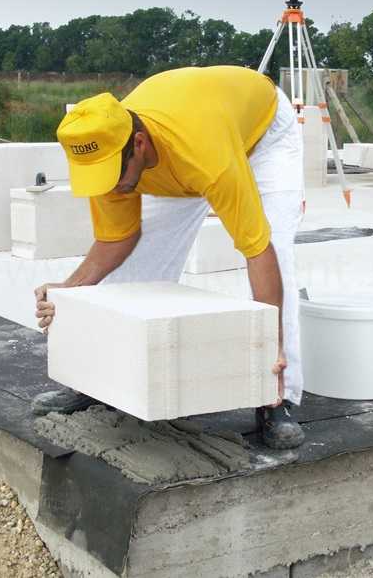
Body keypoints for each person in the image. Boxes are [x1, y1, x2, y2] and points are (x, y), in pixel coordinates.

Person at [32, 65, 305, 450]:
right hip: (180, 146)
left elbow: (257, 249)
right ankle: (100, 379)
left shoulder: (207, 155)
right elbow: (116, 241)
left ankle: (279, 395)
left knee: (277, 250)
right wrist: (68, 293)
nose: (108, 187)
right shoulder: (105, 143)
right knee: (136, 268)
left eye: (114, 174)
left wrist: (268, 341)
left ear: (139, 144)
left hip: (263, 134)